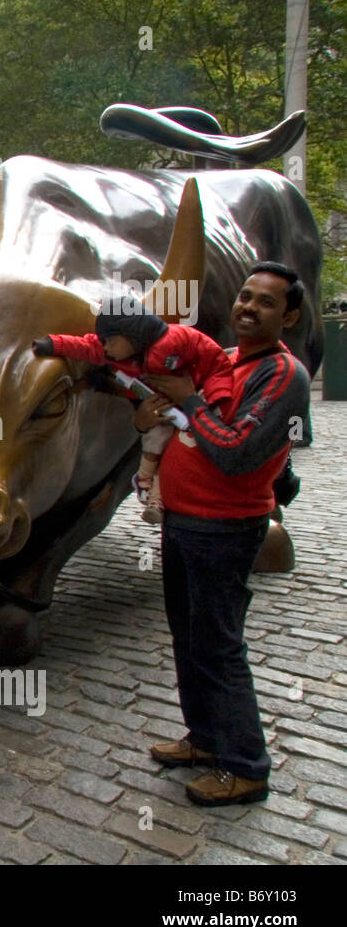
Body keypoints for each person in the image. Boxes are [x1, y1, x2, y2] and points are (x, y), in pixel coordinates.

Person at [135, 262, 311, 808]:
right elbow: (164, 424)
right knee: (189, 638)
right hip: (183, 522)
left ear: (290, 314)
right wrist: (149, 414)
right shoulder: (224, 360)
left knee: (219, 644)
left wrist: (187, 399)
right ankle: (205, 739)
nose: (248, 307)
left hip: (225, 530)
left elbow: (235, 451)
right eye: (244, 296)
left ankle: (246, 768)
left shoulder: (285, 374)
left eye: (265, 302)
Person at [32, 295, 233, 522]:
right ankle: (146, 482)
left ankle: (155, 496)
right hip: (162, 410)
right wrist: (52, 344)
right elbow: (85, 346)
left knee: (173, 451)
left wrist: (216, 396)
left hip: (191, 405)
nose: (106, 348)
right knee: (156, 441)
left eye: (110, 341)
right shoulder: (118, 355)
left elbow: (214, 360)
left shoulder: (178, 339)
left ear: (130, 334)